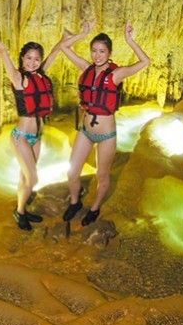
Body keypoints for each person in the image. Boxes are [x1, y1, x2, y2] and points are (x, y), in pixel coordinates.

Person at [0, 14, 66, 231]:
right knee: (33, 178)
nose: (33, 62)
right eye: (28, 58)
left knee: (25, 176)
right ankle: (19, 212)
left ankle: (22, 208)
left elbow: (57, 50)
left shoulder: (40, 75)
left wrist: (76, 36)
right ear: (22, 59)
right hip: (21, 137)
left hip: (37, 137)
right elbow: (1, 50)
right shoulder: (19, 78)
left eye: (37, 59)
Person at [59, 21, 150, 226]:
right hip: (85, 131)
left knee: (102, 174)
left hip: (106, 135)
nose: (97, 55)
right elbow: (64, 47)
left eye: (102, 51)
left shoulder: (116, 74)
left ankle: (95, 207)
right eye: (94, 51)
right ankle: (74, 202)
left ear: (109, 53)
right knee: (72, 171)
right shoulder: (86, 68)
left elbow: (145, 61)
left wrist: (130, 40)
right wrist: (82, 33)